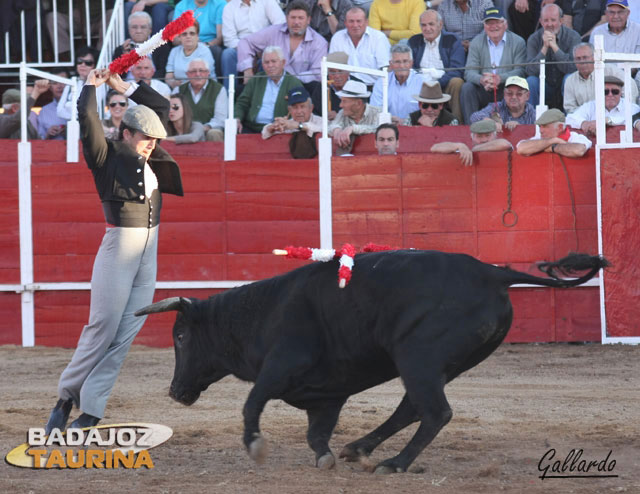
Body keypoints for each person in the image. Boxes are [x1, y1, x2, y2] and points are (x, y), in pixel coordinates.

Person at [44, 68, 184, 433]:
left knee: (127, 330)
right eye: (144, 137)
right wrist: (91, 86)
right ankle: (65, 398)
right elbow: (88, 119)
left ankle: (91, 409)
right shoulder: (105, 157)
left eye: (154, 138)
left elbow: (160, 108)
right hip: (119, 245)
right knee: (103, 326)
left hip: (149, 248)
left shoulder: (149, 154)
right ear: (126, 133)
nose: (151, 142)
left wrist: (126, 87)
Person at [460, 7, 526, 124]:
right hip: (484, 88)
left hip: (507, 88)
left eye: (497, 22)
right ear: (484, 26)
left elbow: (520, 71)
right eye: (489, 23)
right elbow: (468, 72)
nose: (493, 26)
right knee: (467, 88)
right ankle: (470, 127)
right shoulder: (476, 42)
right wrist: (482, 80)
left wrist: (500, 79)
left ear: (505, 24)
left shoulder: (518, 42)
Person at [237, 1, 328, 86]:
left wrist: (289, 80)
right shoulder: (273, 32)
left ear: (308, 20)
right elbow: (245, 42)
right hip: (272, 84)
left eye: (301, 18)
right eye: (293, 18)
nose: (296, 22)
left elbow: (317, 74)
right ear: (286, 18)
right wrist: (247, 70)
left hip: (302, 88)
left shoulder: (319, 42)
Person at [408, 9, 465, 122]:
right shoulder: (414, 41)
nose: (427, 28)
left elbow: (457, 69)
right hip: (420, 85)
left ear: (440, 24)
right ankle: (409, 122)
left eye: (431, 24)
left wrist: (436, 85)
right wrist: (423, 83)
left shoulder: (451, 40)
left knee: (457, 82)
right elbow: (410, 67)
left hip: (443, 85)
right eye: (423, 25)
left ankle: (457, 123)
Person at [235, 46, 304, 133]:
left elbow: (301, 109)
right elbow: (242, 103)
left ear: (283, 63)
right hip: (252, 128)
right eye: (266, 62)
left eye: (274, 61)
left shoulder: (294, 83)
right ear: (262, 65)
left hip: (280, 130)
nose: (270, 65)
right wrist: (237, 119)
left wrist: (287, 122)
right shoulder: (256, 80)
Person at [525, 4, 581, 109]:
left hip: (564, 85)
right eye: (546, 20)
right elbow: (530, 71)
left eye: (553, 20)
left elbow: (573, 68)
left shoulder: (573, 37)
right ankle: (532, 120)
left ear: (561, 21)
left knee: (569, 78)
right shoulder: (533, 39)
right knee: (531, 81)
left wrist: (555, 47)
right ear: (541, 22)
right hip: (545, 85)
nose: (549, 24)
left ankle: (570, 120)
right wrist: (545, 48)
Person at [221, 0, 286, 90]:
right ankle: (229, 97)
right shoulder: (229, 7)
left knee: (269, 57)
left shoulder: (267, 2)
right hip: (239, 49)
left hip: (264, 48)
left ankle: (264, 96)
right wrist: (247, 53)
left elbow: (281, 26)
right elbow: (229, 39)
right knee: (227, 54)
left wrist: (264, 49)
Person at [563, 42, 638, 113]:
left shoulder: (610, 70)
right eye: (578, 58)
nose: (582, 61)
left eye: (585, 57)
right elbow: (570, 108)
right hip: (585, 121)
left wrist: (623, 109)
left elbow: (630, 84)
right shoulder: (570, 80)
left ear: (594, 58)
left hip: (615, 116)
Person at [328, 7, 391, 88]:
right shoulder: (337, 38)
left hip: (372, 87)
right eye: (351, 21)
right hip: (345, 88)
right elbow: (333, 68)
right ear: (345, 23)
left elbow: (386, 70)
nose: (355, 25)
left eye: (359, 21)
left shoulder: (379, 38)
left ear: (367, 22)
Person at [566, 75, 640, 135]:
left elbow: (630, 119)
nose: (610, 95)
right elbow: (569, 118)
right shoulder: (590, 106)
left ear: (621, 93)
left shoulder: (632, 108)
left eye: (615, 91)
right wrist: (584, 123)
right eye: (605, 92)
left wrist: (605, 121)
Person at [175, 58, 228, 141]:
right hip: (186, 130)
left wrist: (202, 129)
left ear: (208, 73)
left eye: (201, 71)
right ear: (187, 74)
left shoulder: (219, 89)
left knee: (214, 133)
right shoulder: (178, 90)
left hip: (208, 129)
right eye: (193, 71)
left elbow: (220, 119)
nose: (198, 74)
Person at [173, 0, 227, 79]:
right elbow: (175, 38)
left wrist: (203, 45)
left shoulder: (220, 4)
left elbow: (219, 38)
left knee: (217, 51)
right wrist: (189, 42)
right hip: (186, 44)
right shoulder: (181, 6)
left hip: (210, 45)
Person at [370, 44, 424, 121]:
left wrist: (405, 122)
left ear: (411, 63)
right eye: (397, 62)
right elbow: (375, 111)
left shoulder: (422, 82)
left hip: (414, 127)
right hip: (388, 126)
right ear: (391, 64)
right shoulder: (381, 82)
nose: (401, 66)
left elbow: (428, 113)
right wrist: (390, 119)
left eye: (405, 61)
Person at [329, 80, 382, 154]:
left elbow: (379, 128)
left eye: (344, 101)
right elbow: (331, 126)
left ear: (359, 103)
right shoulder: (342, 113)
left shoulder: (377, 112)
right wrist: (336, 129)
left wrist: (353, 128)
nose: (340, 105)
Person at [430, 119, 513, 166]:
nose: (484, 140)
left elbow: (505, 144)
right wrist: (459, 145)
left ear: (495, 135)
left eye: (488, 135)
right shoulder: (466, 150)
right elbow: (434, 148)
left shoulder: (500, 145)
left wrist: (475, 149)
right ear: (472, 137)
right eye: (479, 136)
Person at [517, 108, 592, 157]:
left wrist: (553, 147)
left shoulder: (576, 137)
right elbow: (521, 148)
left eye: (545, 126)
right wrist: (552, 141)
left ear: (559, 127)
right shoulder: (541, 138)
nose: (540, 130)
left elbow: (578, 150)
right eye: (540, 126)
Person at [469, 76, 535, 131]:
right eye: (509, 93)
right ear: (504, 94)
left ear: (527, 96)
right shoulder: (496, 106)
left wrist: (520, 128)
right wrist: (491, 123)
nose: (514, 97)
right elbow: (474, 117)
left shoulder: (533, 113)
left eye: (519, 94)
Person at [166, 20, 216, 89]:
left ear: (197, 36)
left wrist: (184, 87)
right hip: (179, 90)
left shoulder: (204, 51)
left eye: (192, 33)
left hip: (204, 90)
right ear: (179, 37)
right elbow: (169, 75)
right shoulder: (174, 51)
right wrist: (173, 83)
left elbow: (202, 77)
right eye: (184, 34)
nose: (188, 36)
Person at [57, 47, 100, 122]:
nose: (83, 65)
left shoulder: (99, 84)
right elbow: (59, 111)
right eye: (80, 61)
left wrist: (71, 113)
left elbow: (94, 110)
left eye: (88, 63)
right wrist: (76, 117)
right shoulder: (71, 82)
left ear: (95, 66)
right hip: (73, 127)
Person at [310, 51, 353, 119]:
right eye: (332, 72)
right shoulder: (322, 86)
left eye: (340, 71)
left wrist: (339, 116)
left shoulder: (357, 85)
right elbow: (315, 113)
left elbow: (361, 114)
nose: (337, 76)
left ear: (348, 71)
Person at [35, 69, 69, 141]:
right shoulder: (44, 111)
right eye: (55, 83)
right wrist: (48, 134)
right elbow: (39, 142)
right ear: (50, 87)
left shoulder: (79, 106)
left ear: (70, 84)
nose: (59, 86)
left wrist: (71, 131)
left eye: (63, 81)